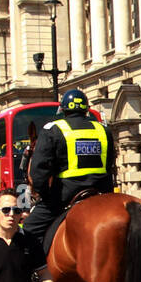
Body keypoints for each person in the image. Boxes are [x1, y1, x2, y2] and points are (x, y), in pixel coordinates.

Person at [23, 89, 115, 260]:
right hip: (103, 194)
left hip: (64, 196)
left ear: (63, 110)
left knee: (29, 228)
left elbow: (39, 171)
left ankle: (37, 272)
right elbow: (110, 164)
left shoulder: (53, 129)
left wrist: (44, 194)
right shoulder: (103, 130)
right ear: (86, 109)